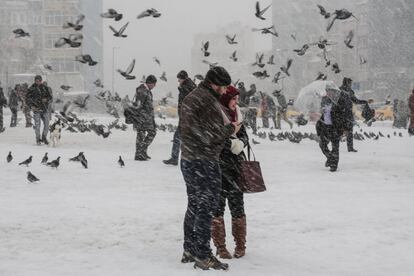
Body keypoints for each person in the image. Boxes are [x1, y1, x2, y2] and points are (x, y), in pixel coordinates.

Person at [180, 66, 241, 270]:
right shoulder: (207, 100)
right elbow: (210, 135)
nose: (225, 92)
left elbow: (195, 131)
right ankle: (203, 255)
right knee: (206, 207)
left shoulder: (193, 96)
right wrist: (232, 128)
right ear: (214, 84)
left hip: (189, 158)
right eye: (223, 87)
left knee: (194, 205)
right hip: (204, 160)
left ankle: (189, 249)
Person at [211, 86, 248, 260]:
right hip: (218, 168)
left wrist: (241, 143)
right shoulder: (217, 116)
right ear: (226, 99)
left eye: (237, 99)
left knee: (238, 206)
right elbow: (213, 139)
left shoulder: (239, 116)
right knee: (218, 208)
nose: (236, 102)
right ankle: (220, 246)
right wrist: (230, 146)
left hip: (236, 169)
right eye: (234, 99)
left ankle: (240, 244)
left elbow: (245, 136)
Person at [163, 70, 196, 165]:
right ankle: (191, 159)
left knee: (178, 137)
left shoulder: (186, 88)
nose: (178, 81)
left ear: (183, 78)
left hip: (186, 117)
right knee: (188, 138)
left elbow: (186, 103)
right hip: (189, 117)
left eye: (179, 79)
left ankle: (175, 158)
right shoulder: (190, 86)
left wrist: (185, 115)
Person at [316, 86, 351, 172]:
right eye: (327, 91)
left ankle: (334, 165)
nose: (328, 93)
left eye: (330, 91)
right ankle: (330, 158)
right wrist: (322, 110)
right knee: (322, 144)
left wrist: (345, 128)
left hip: (335, 127)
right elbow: (322, 111)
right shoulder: (324, 99)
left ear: (334, 91)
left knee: (335, 147)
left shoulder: (339, 100)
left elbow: (344, 114)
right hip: (325, 126)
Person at [132, 75, 157, 161]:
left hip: (147, 117)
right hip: (142, 118)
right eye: (154, 84)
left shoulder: (147, 91)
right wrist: (140, 118)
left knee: (150, 133)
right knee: (142, 135)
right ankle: (139, 154)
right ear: (150, 83)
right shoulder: (142, 91)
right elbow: (139, 106)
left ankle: (142, 152)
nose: (155, 86)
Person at [340, 77, 367, 152]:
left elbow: (355, 101)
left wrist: (364, 102)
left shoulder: (348, 91)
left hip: (345, 113)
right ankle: (348, 147)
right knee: (345, 131)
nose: (351, 85)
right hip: (342, 114)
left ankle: (350, 148)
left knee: (349, 131)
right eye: (350, 83)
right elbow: (356, 101)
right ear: (347, 83)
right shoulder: (341, 90)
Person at [26, 75, 53, 145]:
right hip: (36, 109)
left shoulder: (45, 88)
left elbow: (50, 97)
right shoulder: (31, 89)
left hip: (44, 109)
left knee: (47, 124)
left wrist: (46, 99)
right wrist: (31, 106)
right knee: (37, 125)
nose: (38, 82)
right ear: (35, 81)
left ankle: (44, 137)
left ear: (41, 81)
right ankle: (38, 139)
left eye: (39, 81)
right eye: (36, 81)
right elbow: (27, 99)